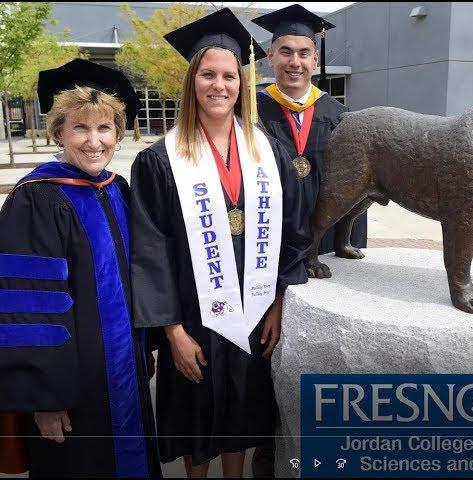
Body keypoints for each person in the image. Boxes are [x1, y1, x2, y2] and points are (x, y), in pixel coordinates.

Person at [129, 8, 310, 478]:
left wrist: (277, 304)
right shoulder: (159, 160)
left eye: (229, 75)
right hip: (194, 316)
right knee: (197, 414)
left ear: (240, 83)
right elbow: (150, 252)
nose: (219, 85)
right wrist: (171, 332)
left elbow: (294, 231)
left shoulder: (265, 148)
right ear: (192, 81)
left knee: (246, 412)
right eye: (208, 74)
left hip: (254, 311)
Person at [0, 59, 161, 477]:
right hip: (72, 393)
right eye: (80, 128)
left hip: (124, 374)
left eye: (104, 128)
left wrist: (146, 345)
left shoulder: (117, 189)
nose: (94, 142)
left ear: (118, 133)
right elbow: (29, 306)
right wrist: (45, 399)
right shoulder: (36, 200)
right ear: (58, 132)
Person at [252, 3, 368, 259]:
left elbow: (356, 186)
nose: (295, 62)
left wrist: (350, 242)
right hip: (269, 237)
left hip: (325, 240)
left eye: (304, 53)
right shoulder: (249, 112)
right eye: (286, 52)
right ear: (270, 56)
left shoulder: (340, 115)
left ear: (315, 59)